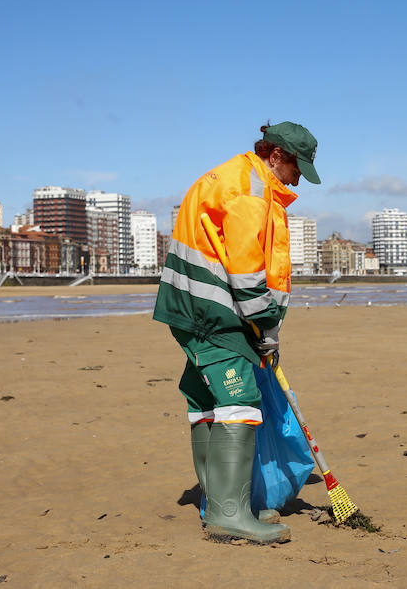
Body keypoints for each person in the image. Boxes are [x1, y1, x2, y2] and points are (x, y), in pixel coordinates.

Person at [153, 121, 320, 544]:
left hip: (189, 308)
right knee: (240, 401)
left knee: (205, 399)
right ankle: (229, 514)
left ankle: (221, 501)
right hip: (215, 314)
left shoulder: (231, 175)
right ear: (278, 155)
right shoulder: (250, 190)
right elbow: (245, 271)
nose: (299, 178)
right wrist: (266, 326)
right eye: (298, 167)